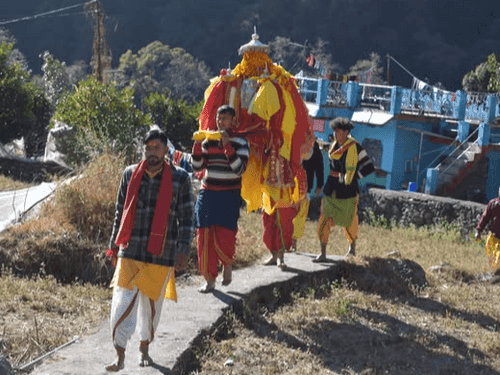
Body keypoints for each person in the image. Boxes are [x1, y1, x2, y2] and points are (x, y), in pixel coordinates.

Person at [105, 126, 195, 372]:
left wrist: (183, 250)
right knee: (121, 303)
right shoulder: (130, 174)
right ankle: (119, 354)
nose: (151, 152)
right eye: (147, 148)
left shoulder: (180, 178)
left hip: (162, 253)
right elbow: (119, 212)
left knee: (152, 309)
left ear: (166, 150)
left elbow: (187, 218)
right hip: (130, 249)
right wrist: (114, 246)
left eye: (156, 147)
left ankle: (144, 348)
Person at [191, 105, 249, 293]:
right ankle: (209, 280)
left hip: (229, 194)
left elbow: (239, 169)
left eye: (224, 118)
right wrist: (197, 145)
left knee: (225, 233)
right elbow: (197, 167)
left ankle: (227, 264)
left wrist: (226, 146)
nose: (220, 121)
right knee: (204, 234)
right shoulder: (208, 140)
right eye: (218, 118)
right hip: (208, 193)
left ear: (233, 121)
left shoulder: (241, 141)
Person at [314, 117, 374, 262]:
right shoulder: (333, 147)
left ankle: (352, 249)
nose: (335, 134)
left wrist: (354, 177)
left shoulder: (356, 147)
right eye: (334, 131)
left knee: (350, 220)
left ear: (346, 132)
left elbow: (369, 167)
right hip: (331, 189)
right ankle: (322, 252)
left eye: (338, 131)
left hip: (348, 191)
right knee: (324, 218)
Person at [291, 140, 324, 252]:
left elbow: (319, 165)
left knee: (300, 213)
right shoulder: (290, 137)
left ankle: (293, 240)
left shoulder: (312, 144)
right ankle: (285, 240)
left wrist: (319, 184)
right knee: (287, 212)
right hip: (288, 183)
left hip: (305, 185)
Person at [475, 186, 500, 267]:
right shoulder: (493, 204)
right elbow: (484, 218)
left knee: (498, 259)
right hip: (493, 237)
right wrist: (479, 231)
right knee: (490, 258)